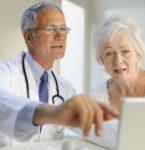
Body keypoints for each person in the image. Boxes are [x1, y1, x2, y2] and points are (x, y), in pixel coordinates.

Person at [0, 1, 118, 147]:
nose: (59, 35)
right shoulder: (5, 70)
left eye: (63, 29)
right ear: (29, 37)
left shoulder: (64, 87)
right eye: (50, 29)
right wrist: (51, 113)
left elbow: (99, 128)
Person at [91, 15, 145, 112]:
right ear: (102, 60)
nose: (118, 60)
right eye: (109, 53)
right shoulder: (98, 96)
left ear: (138, 54)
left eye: (125, 51)